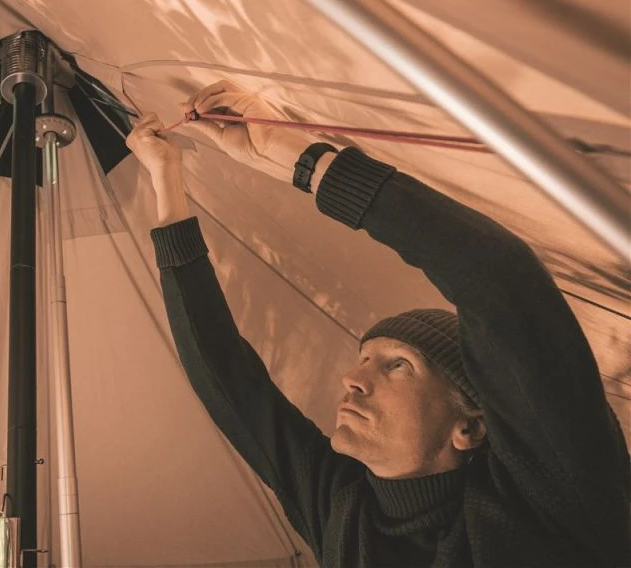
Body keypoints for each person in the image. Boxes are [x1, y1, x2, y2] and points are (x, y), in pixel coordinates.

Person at [125, 80, 631, 567]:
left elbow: (499, 282)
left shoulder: (554, 504)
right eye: (366, 359)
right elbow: (225, 377)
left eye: (397, 365)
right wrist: (166, 178)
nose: (353, 378)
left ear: (471, 426)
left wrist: (297, 156)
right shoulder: (344, 508)